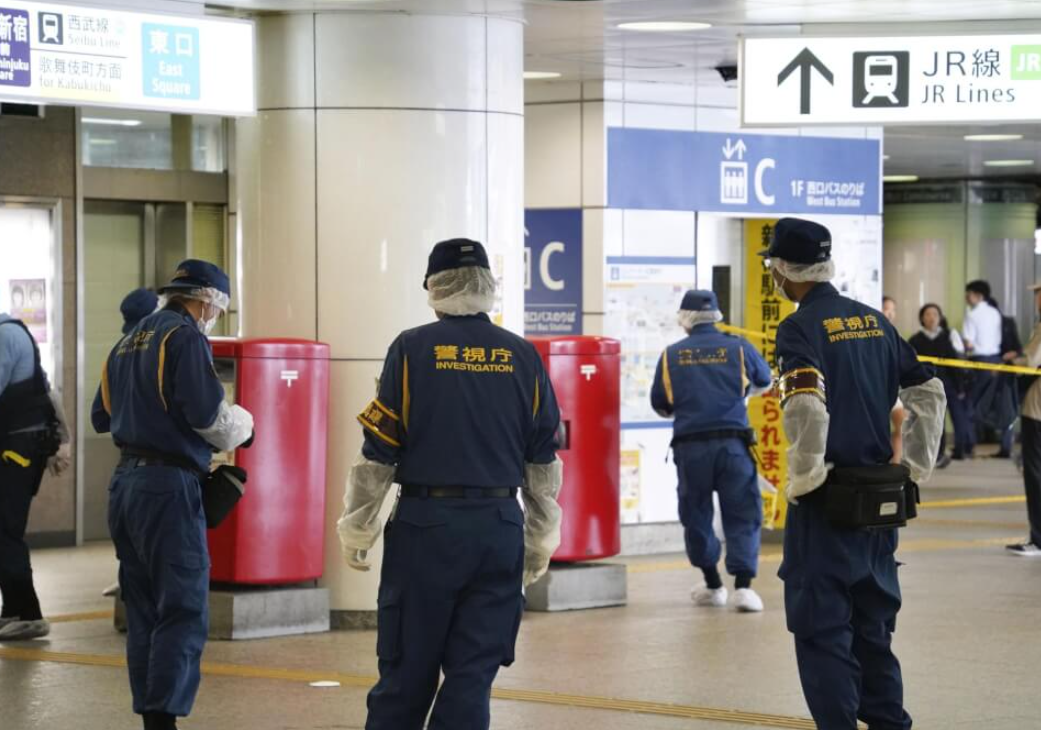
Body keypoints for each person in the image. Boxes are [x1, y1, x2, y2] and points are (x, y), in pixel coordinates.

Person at [337, 238, 563, 730]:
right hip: (499, 529)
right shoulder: (523, 356)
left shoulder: (412, 349)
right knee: (472, 674)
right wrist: (541, 537)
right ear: (488, 286)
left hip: (425, 530)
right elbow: (542, 462)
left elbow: (379, 451)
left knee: (406, 673)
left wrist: (358, 528)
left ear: (433, 288)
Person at [766, 218, 945, 730]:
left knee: (822, 632)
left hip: (829, 504)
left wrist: (803, 480)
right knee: (873, 629)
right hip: (879, 504)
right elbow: (928, 392)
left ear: (782, 269)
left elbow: (804, 404)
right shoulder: (874, 321)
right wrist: (913, 468)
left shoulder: (799, 328)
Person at [91, 260, 254, 730]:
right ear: (206, 300)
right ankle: (164, 720)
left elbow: (101, 416)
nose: (212, 317)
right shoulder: (183, 337)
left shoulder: (127, 341)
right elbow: (211, 419)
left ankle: (151, 718)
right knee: (181, 607)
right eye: (215, 309)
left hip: (126, 485)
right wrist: (245, 425)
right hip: (168, 487)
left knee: (142, 606)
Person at [650, 290, 773, 612]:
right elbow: (765, 380)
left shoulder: (671, 354)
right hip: (734, 445)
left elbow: (660, 405)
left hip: (691, 449)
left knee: (696, 514)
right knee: (743, 512)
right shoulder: (739, 348)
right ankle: (744, 588)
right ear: (716, 315)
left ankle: (713, 584)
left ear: (684, 318)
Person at [0, 313, 70, 641]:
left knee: (5, 529)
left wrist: (64, 441)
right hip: (22, 445)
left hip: (19, 447)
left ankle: (28, 613)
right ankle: (14, 610)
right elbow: (47, 389)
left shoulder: (5, 336)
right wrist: (63, 440)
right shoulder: (15, 332)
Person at [101, 287, 162, 600]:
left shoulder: (120, 350)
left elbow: (99, 416)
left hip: (126, 470)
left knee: (135, 571)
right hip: (166, 474)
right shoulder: (176, 344)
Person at [909, 303, 971, 467]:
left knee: (959, 417)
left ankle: (962, 449)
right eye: (928, 314)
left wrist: (960, 387)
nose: (931, 318)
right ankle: (938, 454)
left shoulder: (947, 336)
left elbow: (955, 363)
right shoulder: (915, 340)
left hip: (950, 385)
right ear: (922, 318)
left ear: (940, 317)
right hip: (928, 386)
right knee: (937, 422)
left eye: (935, 314)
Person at [1009, 282, 1041, 557]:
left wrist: (1012, 362)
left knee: (1035, 473)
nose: (1037, 299)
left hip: (1038, 410)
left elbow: (1031, 361)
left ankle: (1038, 539)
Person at [882, 296, 907, 464]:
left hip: (893, 387)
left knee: (901, 424)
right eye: (886, 309)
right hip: (875, 388)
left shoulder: (894, 333)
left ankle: (896, 464)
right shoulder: (873, 332)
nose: (889, 313)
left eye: (892, 310)